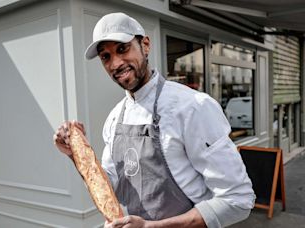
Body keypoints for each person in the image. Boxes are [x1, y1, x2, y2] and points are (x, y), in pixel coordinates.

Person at [53, 12, 255, 228]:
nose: (115, 63)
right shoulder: (114, 119)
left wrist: (150, 227)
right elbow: (108, 186)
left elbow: (238, 200)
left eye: (122, 48)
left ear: (145, 45)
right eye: (106, 57)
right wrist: (76, 155)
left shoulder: (192, 107)